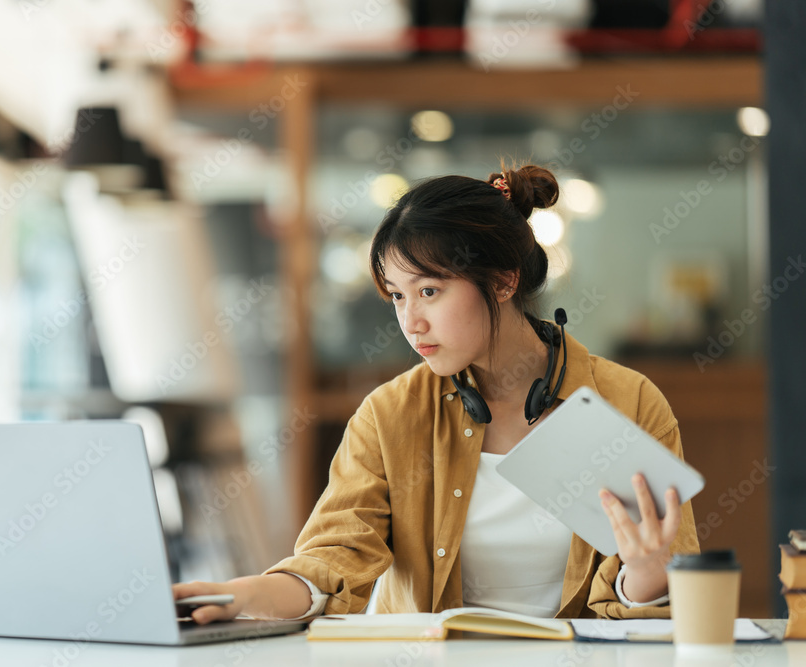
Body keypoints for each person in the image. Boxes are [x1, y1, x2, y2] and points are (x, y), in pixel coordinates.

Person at [172, 164, 699, 623]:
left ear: (502, 281)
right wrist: (243, 595)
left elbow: (663, 596)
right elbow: (332, 562)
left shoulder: (626, 402)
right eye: (398, 296)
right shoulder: (391, 414)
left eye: (429, 291)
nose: (410, 321)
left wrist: (647, 574)